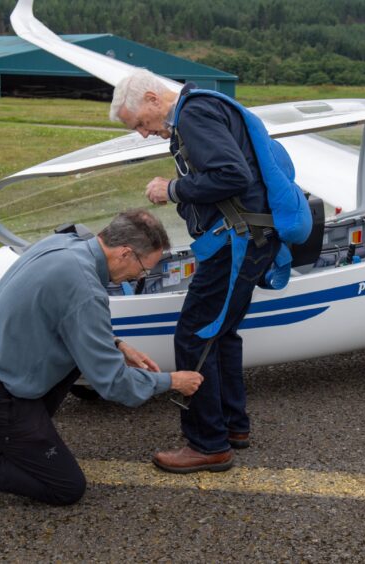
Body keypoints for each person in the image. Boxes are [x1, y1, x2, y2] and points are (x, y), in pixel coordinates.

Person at [0, 209, 204, 505]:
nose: (141, 276)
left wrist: (115, 345)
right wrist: (172, 380)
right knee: (65, 487)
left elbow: (62, 313)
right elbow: (114, 384)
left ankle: (24, 441)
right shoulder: (86, 289)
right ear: (125, 253)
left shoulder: (65, 244)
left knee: (44, 426)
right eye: (143, 268)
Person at [110, 70, 282, 473]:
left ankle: (208, 443)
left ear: (152, 99)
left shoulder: (193, 115)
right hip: (248, 237)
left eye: (139, 123)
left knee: (194, 336)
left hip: (234, 243)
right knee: (221, 333)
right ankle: (233, 425)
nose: (142, 133)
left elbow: (230, 174)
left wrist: (172, 189)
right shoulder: (203, 105)